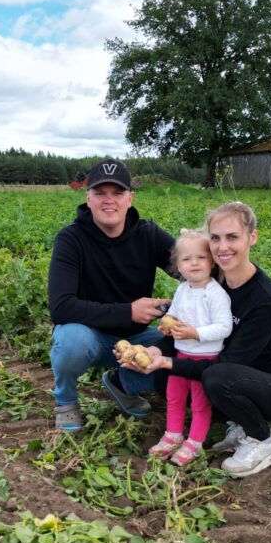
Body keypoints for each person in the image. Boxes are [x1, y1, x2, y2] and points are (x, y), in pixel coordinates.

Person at [107, 201, 271, 477]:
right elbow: (185, 333)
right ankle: (238, 421)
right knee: (167, 378)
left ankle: (262, 439)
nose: (223, 246)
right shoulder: (212, 281)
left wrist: (168, 362)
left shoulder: (265, 299)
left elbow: (224, 363)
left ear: (253, 237)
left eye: (232, 237)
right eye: (215, 238)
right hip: (240, 375)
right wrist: (154, 350)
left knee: (214, 377)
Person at [47, 158, 174, 432]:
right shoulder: (71, 239)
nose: (109, 201)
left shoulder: (148, 235)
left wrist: (252, 289)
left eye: (117, 193)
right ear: (88, 198)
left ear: (130, 198)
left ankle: (121, 383)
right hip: (90, 336)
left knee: (187, 350)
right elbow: (60, 307)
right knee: (71, 341)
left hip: (137, 340)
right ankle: (66, 402)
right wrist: (128, 311)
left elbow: (193, 266)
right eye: (100, 193)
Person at [148, 229, 233, 466]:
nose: (194, 263)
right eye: (187, 259)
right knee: (174, 397)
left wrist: (196, 333)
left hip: (205, 360)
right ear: (178, 265)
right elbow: (175, 312)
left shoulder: (216, 294)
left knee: (199, 403)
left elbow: (224, 328)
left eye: (201, 257)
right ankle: (173, 435)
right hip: (180, 356)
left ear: (212, 261)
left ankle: (195, 442)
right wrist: (167, 325)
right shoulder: (182, 290)